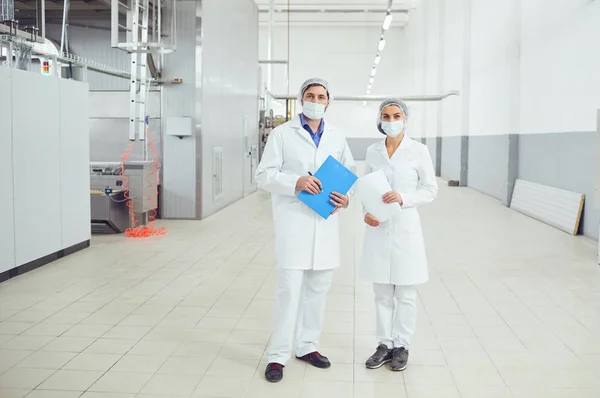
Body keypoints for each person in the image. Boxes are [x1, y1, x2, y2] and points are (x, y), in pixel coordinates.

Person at [255, 78, 356, 383]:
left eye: (321, 96)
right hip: (294, 223)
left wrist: (345, 198)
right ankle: (277, 355)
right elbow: (263, 175)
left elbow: (348, 171)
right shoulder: (283, 134)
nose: (315, 100)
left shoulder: (337, 136)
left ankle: (307, 346)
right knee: (289, 290)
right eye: (310, 95)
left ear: (329, 102)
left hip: (324, 225)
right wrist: (295, 181)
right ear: (301, 100)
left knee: (318, 289)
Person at [360, 98, 438, 372]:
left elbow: (430, 189)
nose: (391, 120)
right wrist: (367, 213)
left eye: (396, 115)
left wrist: (403, 198)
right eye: (385, 115)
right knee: (381, 292)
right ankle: (384, 345)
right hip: (378, 228)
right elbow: (365, 187)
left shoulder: (418, 151)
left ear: (405, 119)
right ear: (379, 120)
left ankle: (401, 346)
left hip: (406, 228)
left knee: (405, 293)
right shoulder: (372, 151)